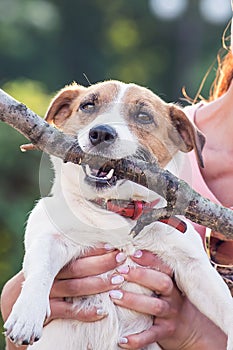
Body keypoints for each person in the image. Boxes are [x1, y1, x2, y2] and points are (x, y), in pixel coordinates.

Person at [1, 17, 233, 350]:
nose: (103, 128)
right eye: (89, 107)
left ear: (181, 140)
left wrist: (195, 332)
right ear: (60, 118)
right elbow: (42, 255)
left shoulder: (170, 217)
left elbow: (196, 272)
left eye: (141, 117)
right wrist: (28, 295)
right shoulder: (59, 213)